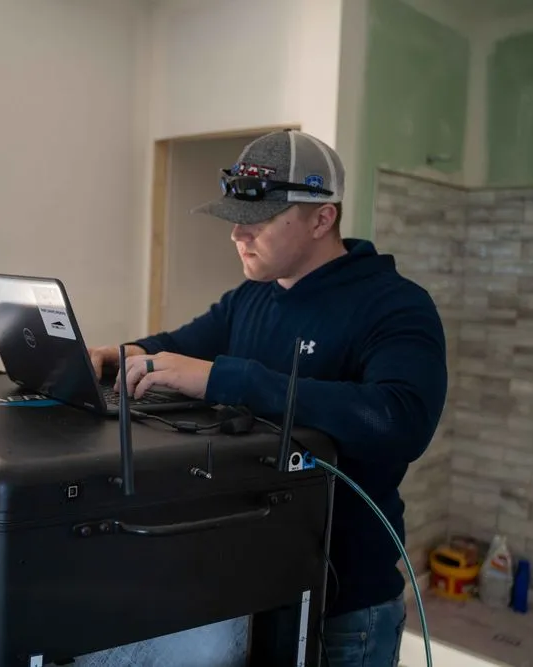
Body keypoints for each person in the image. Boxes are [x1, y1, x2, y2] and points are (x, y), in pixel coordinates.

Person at [88, 129, 448, 667]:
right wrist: (114, 355)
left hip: (344, 606)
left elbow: (400, 420)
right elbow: (180, 349)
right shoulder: (251, 297)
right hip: (253, 580)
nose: (237, 234)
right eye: (235, 219)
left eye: (256, 222)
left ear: (321, 218)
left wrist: (225, 379)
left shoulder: (394, 306)